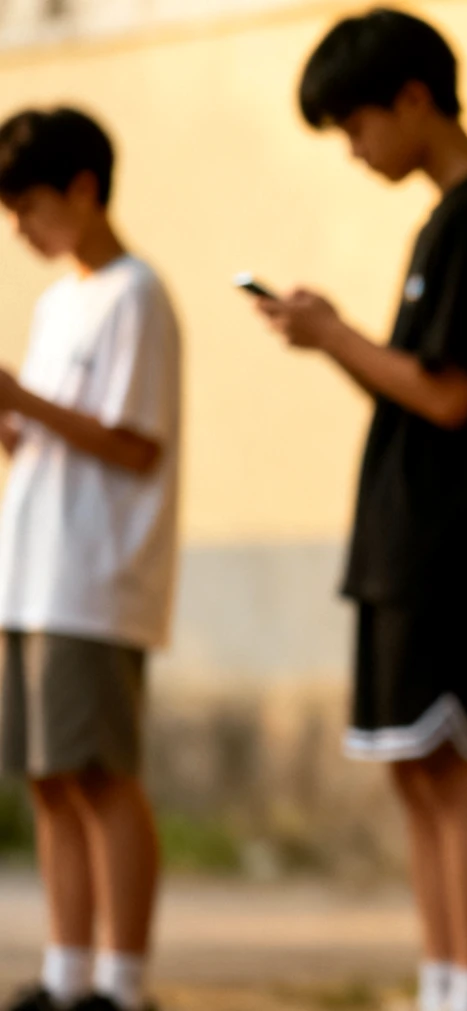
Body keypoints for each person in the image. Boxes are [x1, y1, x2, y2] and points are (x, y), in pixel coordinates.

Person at [249, 10, 467, 1011]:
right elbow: (422, 387)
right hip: (406, 545)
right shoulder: (445, 220)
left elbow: (447, 393)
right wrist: (334, 340)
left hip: (453, 548)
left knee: (457, 766)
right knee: (415, 773)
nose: (354, 150)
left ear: (413, 99)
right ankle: (444, 983)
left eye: (357, 125)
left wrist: (331, 334)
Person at [0, 107, 181, 1011]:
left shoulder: (135, 295)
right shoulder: (56, 300)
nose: (21, 228)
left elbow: (133, 442)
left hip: (95, 576)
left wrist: (21, 394)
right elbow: (47, 431)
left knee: (102, 774)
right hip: (29, 569)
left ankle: (123, 979)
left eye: (29, 205)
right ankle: (68, 970)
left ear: (83, 187)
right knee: (48, 776)